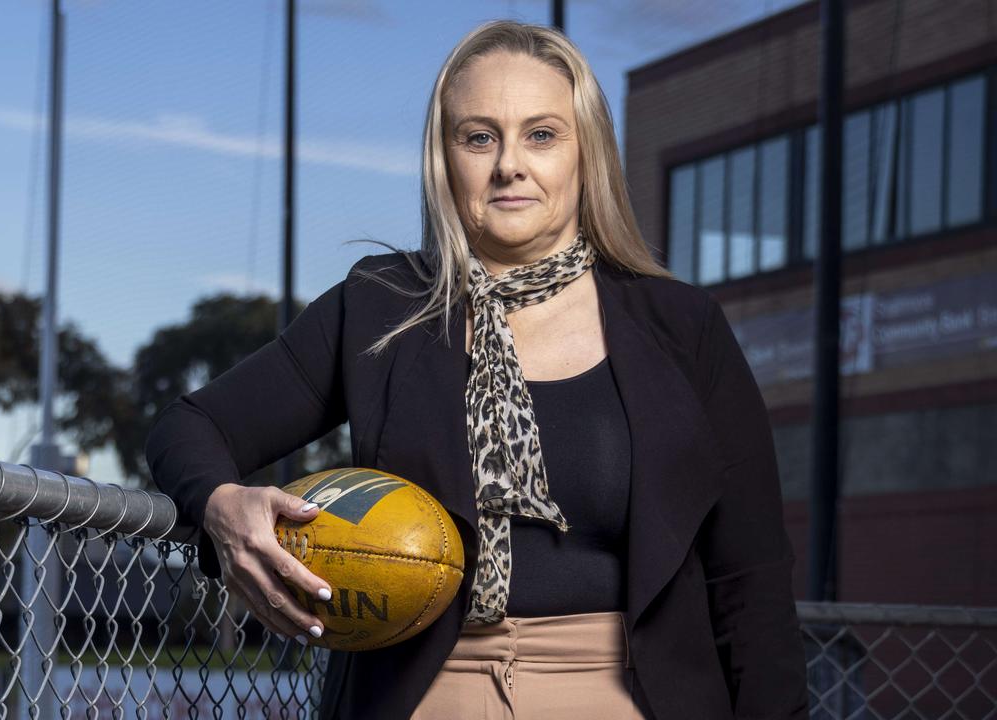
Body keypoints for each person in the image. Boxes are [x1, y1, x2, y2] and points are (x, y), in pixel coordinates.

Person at [144, 19, 808, 720]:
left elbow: (751, 581)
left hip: (632, 696)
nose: (509, 165)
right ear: (444, 157)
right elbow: (189, 426)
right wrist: (223, 506)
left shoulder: (682, 328)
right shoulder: (379, 308)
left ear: (588, 154)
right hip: (424, 694)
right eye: (479, 136)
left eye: (542, 135)